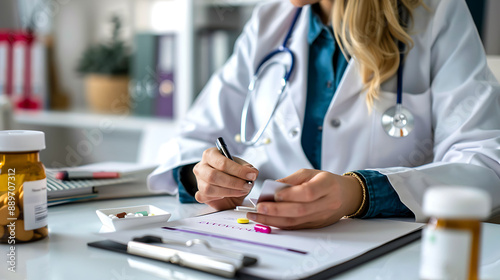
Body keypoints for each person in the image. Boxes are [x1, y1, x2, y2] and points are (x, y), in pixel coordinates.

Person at [148, 0, 500, 229]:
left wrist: (359, 193)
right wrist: (208, 179)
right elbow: (192, 139)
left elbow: (485, 162)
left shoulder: (437, 13)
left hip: (384, 257)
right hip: (266, 244)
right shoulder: (271, 19)